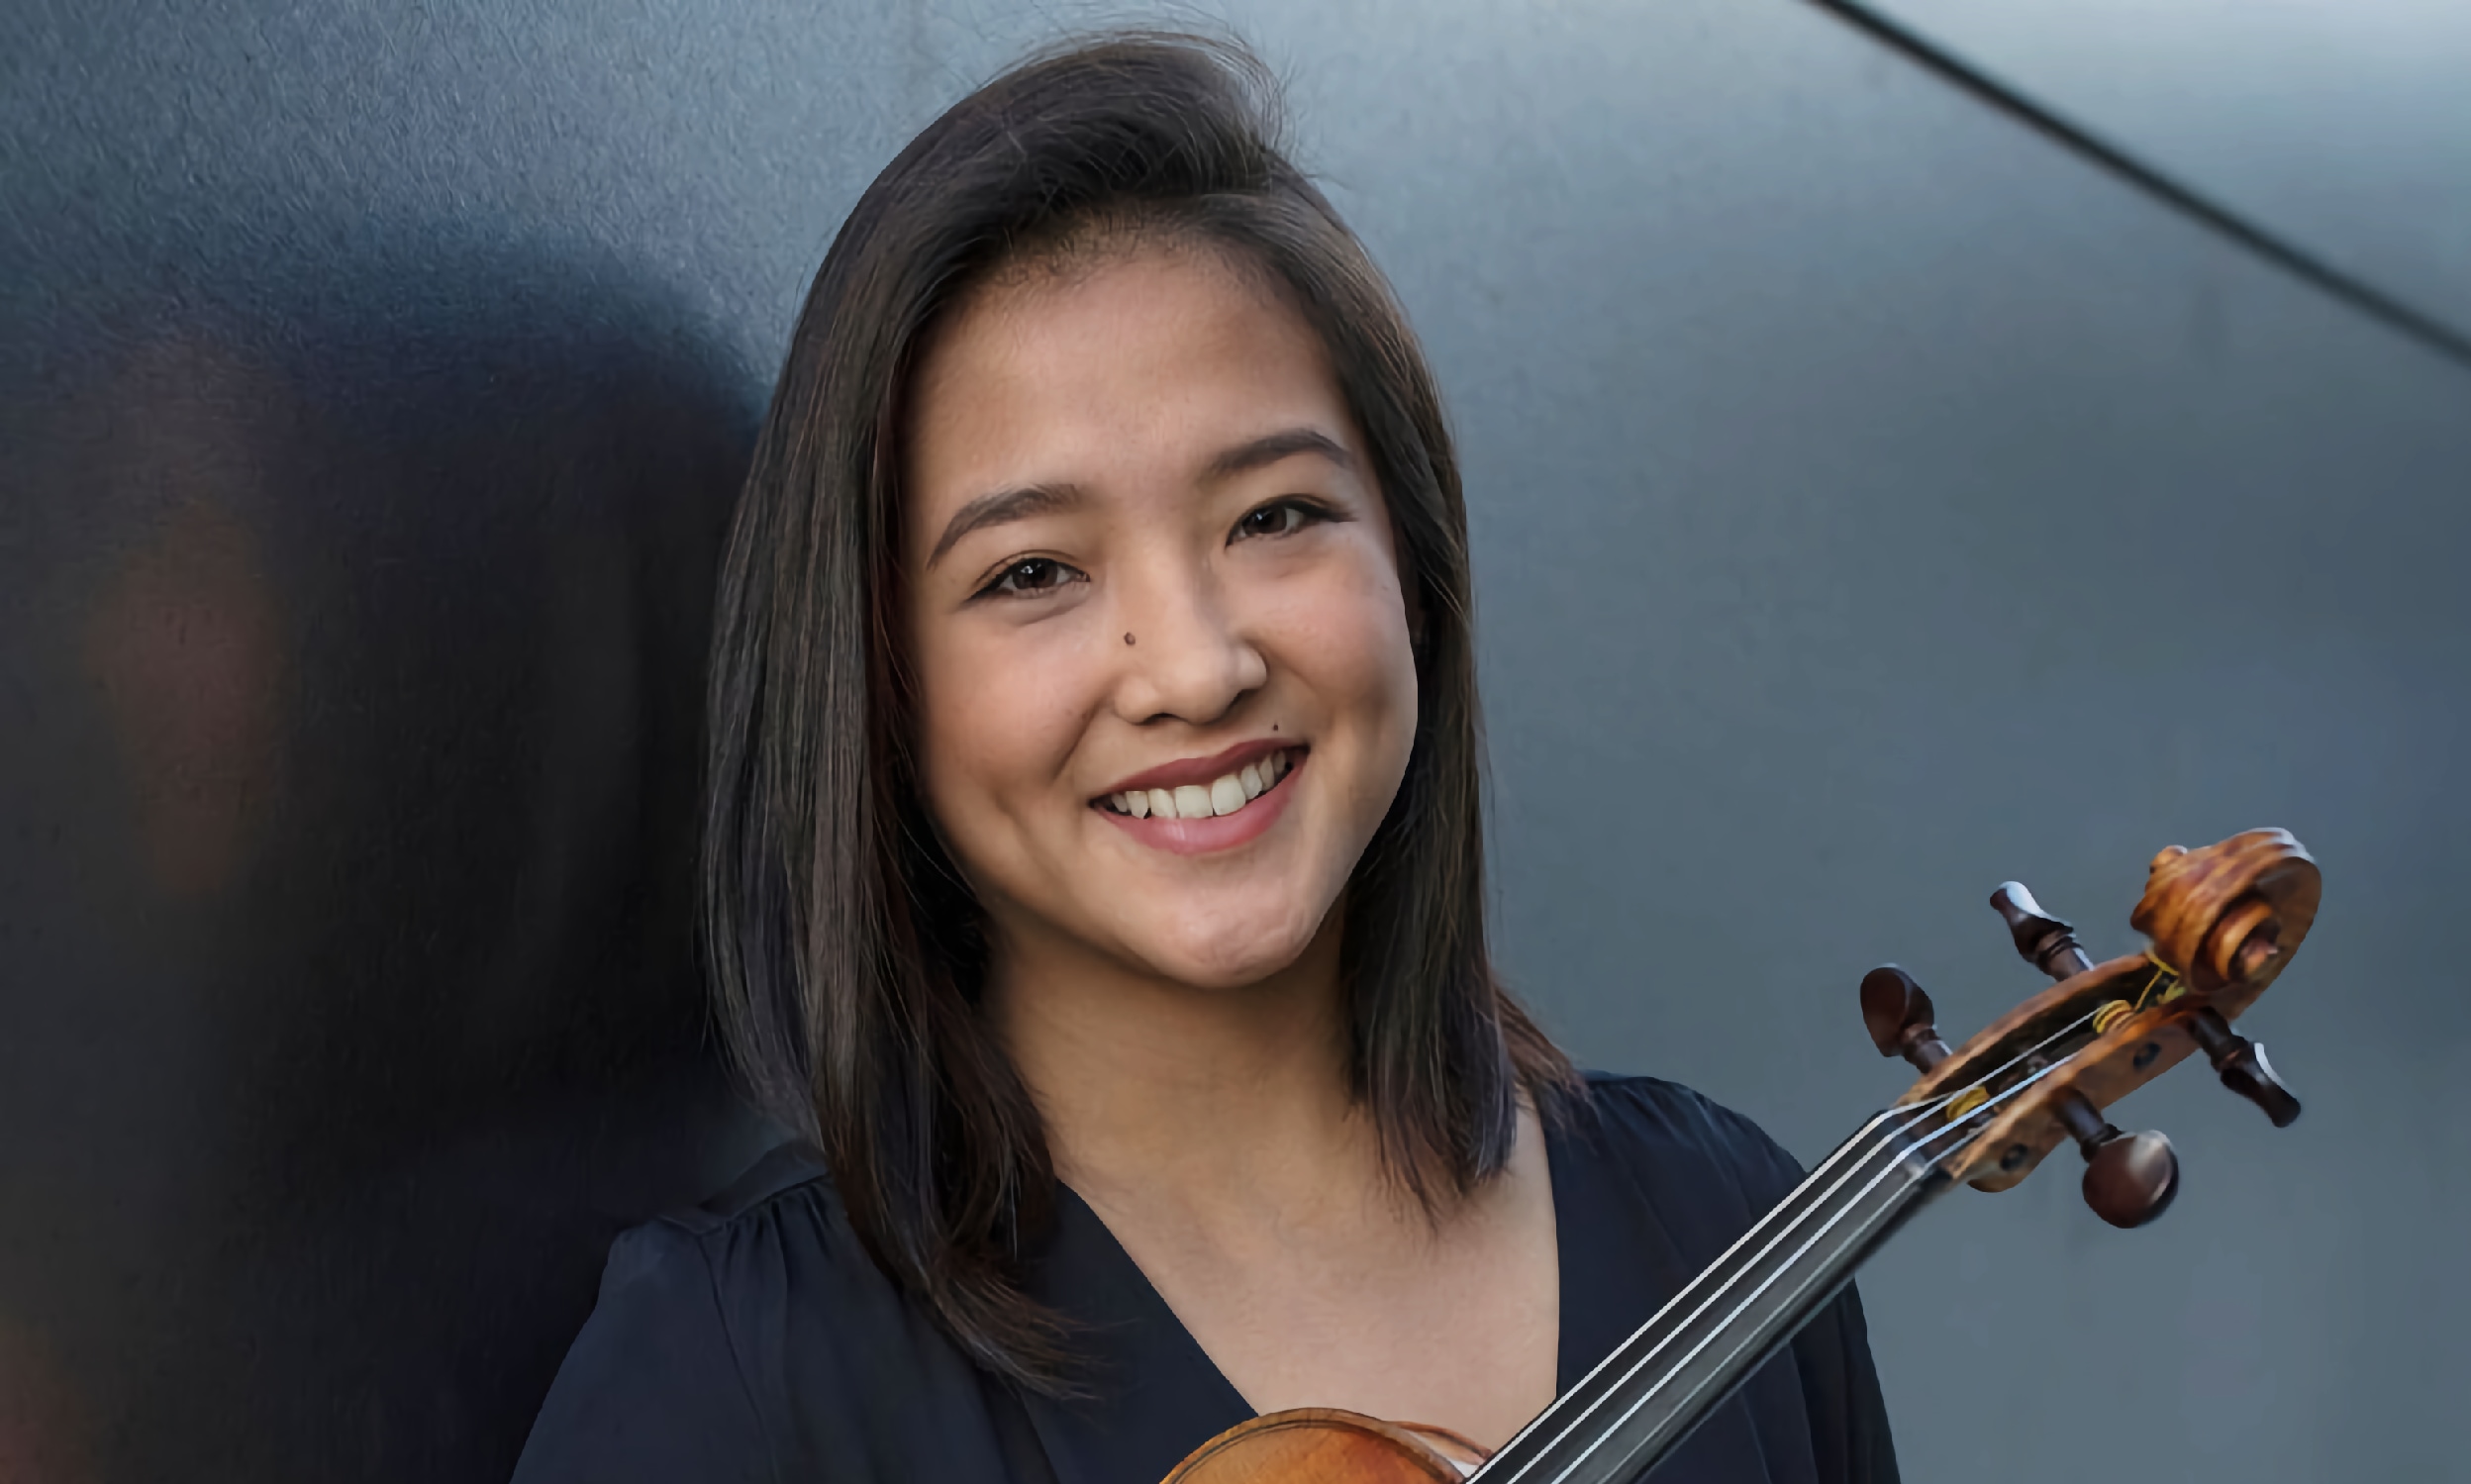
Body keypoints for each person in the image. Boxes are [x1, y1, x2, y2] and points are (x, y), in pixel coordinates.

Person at [513, 32, 1897, 1484]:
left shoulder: (1728, 1227)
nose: (1194, 666)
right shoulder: (742, 1373)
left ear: (1413, 572)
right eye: (1035, 571)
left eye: (1273, 516)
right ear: (881, 682)